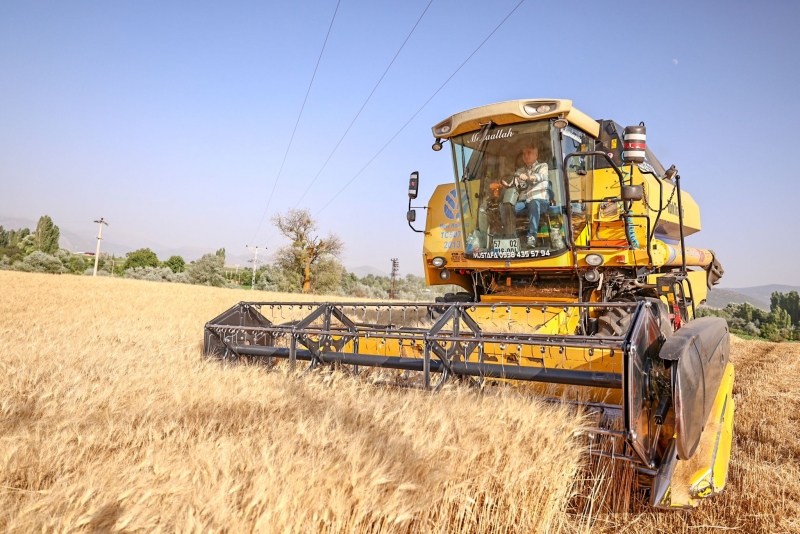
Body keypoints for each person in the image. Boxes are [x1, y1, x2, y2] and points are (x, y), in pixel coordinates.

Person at [500, 145, 550, 246]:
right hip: (524, 203)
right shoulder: (520, 171)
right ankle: (511, 236)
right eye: (524, 153)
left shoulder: (542, 166)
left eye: (529, 152)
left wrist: (527, 177)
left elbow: (538, 177)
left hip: (541, 202)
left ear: (536, 155)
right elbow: (514, 186)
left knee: (534, 202)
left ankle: (532, 236)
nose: (526, 155)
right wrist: (505, 185)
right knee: (505, 206)